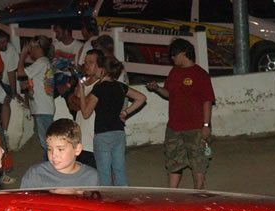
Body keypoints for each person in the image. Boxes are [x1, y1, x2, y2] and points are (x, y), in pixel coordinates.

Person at [146, 38, 215, 189]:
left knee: (198, 162)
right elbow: (169, 93)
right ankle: (172, 193)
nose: (172, 58)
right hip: (175, 127)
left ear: (184, 53)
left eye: (174, 54)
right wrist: (157, 88)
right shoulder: (174, 72)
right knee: (173, 162)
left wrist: (206, 125)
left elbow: (207, 101)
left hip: (195, 127)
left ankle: (198, 192)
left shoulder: (200, 74)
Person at [77, 55, 146, 186]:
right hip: (118, 132)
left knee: (104, 174)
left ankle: (107, 198)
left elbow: (85, 113)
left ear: (102, 69)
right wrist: (126, 112)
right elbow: (141, 98)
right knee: (119, 171)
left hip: (102, 134)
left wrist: (81, 90)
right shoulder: (120, 86)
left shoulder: (99, 88)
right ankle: (123, 196)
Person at [17, 35, 55, 162]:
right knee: (46, 141)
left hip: (42, 108)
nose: (30, 51)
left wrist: (22, 55)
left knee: (46, 143)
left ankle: (48, 167)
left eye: (31, 48)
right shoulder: (45, 62)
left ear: (38, 48)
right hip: (44, 107)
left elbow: (21, 73)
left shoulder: (41, 62)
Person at [68, 49, 103, 168]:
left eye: (91, 62)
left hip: (92, 139)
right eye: (85, 62)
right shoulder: (84, 81)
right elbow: (72, 105)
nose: (86, 66)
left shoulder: (100, 85)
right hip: (81, 137)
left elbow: (81, 104)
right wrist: (77, 100)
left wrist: (75, 99)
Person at [0, 29, 19, 178]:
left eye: (5, 42)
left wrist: (14, 92)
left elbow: (11, 72)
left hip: (4, 85)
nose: (4, 45)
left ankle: (5, 130)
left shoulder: (11, 51)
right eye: (1, 42)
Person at [52, 22, 83, 97]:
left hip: (71, 79)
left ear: (66, 32)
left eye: (58, 32)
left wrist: (68, 85)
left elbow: (80, 71)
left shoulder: (79, 46)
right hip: (55, 77)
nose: (56, 36)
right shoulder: (55, 45)